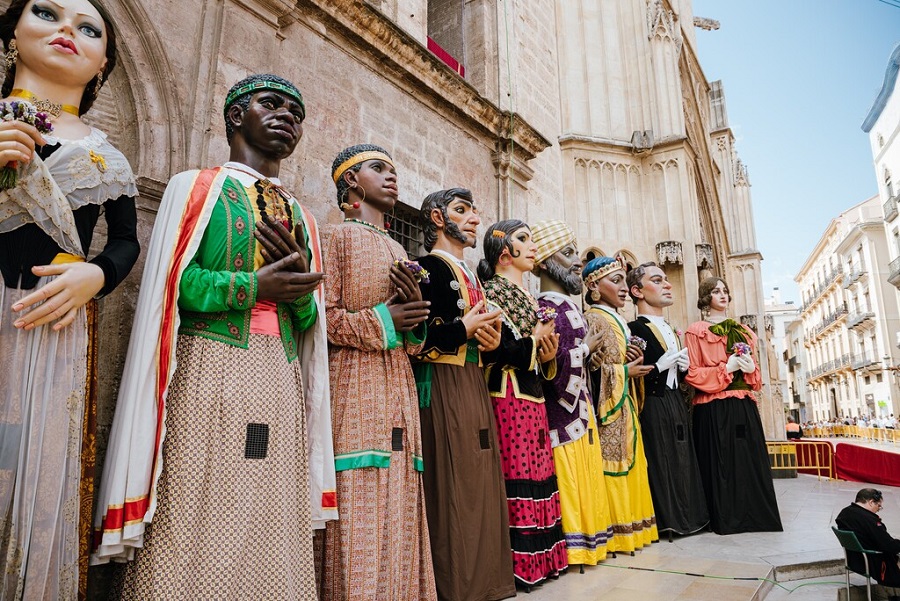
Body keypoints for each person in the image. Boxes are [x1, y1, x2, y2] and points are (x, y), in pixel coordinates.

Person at [92, 74, 337, 598]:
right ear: (235, 116)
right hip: (208, 366)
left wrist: (298, 294)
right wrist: (253, 286)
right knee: (198, 490)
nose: (288, 117)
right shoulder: (198, 187)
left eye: (297, 113)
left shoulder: (303, 216)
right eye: (271, 104)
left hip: (280, 375)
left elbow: (307, 319)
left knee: (271, 498)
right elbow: (174, 284)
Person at [0, 1, 139, 598]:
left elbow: (127, 240)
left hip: (54, 327)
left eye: (87, 28)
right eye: (46, 12)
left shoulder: (109, 156)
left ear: (102, 62)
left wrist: (98, 276)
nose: (66, 30)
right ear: (11, 31)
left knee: (35, 468)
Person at [318, 144, 436, 600]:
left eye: (393, 170)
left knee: (401, 494)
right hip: (354, 383)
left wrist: (414, 318)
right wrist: (386, 319)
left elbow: (412, 339)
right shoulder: (334, 237)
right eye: (378, 168)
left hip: (398, 384)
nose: (392, 177)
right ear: (351, 180)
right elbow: (323, 319)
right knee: (359, 493)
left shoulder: (398, 248)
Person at [413, 188, 516, 601]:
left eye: (474, 210)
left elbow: (489, 341)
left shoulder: (473, 276)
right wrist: (463, 330)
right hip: (442, 384)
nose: (474, 219)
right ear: (438, 218)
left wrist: (492, 342)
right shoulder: (425, 269)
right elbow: (415, 338)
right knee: (454, 480)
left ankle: (488, 580)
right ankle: (458, 585)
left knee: (480, 478)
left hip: (474, 381)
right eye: (461, 210)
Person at [478, 219, 568, 589]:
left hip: (533, 396)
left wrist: (547, 355)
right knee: (518, 470)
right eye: (524, 239)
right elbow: (498, 351)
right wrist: (536, 341)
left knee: (538, 470)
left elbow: (539, 354)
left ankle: (543, 558)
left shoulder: (530, 298)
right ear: (504, 253)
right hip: (507, 395)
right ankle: (520, 563)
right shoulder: (490, 294)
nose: (533, 246)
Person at [531, 219, 613, 567]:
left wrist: (589, 357)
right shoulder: (546, 309)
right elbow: (550, 369)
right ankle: (576, 547)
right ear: (544, 262)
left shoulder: (568, 307)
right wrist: (585, 350)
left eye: (576, 252)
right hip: (562, 417)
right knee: (571, 480)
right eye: (567, 253)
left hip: (582, 410)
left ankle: (591, 543)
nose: (577, 261)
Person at [684, 277, 782, 534]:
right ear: (706, 297)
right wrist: (725, 368)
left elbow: (756, 380)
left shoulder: (744, 332)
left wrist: (750, 370)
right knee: (721, 462)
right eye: (716, 291)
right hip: (713, 407)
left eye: (725, 290)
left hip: (743, 405)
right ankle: (725, 517)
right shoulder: (696, 331)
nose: (723, 294)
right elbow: (692, 373)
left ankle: (755, 516)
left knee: (748, 459)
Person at [626, 262, 708, 540]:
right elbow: (633, 373)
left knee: (683, 454)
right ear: (637, 291)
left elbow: (679, 371)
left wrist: (683, 368)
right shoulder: (634, 328)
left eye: (666, 280)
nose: (668, 285)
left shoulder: (672, 329)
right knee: (660, 457)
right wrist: (658, 367)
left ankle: (690, 516)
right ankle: (667, 519)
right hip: (653, 402)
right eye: (657, 280)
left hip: (675, 399)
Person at [582, 256, 658, 553]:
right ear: (593, 286)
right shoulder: (594, 318)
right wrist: (625, 371)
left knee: (631, 461)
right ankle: (616, 532)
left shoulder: (617, 320)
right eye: (616, 281)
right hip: (608, 408)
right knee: (613, 465)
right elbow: (592, 368)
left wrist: (630, 366)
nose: (624, 288)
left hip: (624, 401)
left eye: (625, 281)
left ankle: (633, 529)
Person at [836, 488, 900, 591]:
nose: (878, 509)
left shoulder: (844, 513)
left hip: (854, 560)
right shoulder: (869, 520)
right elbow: (888, 545)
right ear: (871, 502)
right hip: (873, 563)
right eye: (878, 506)